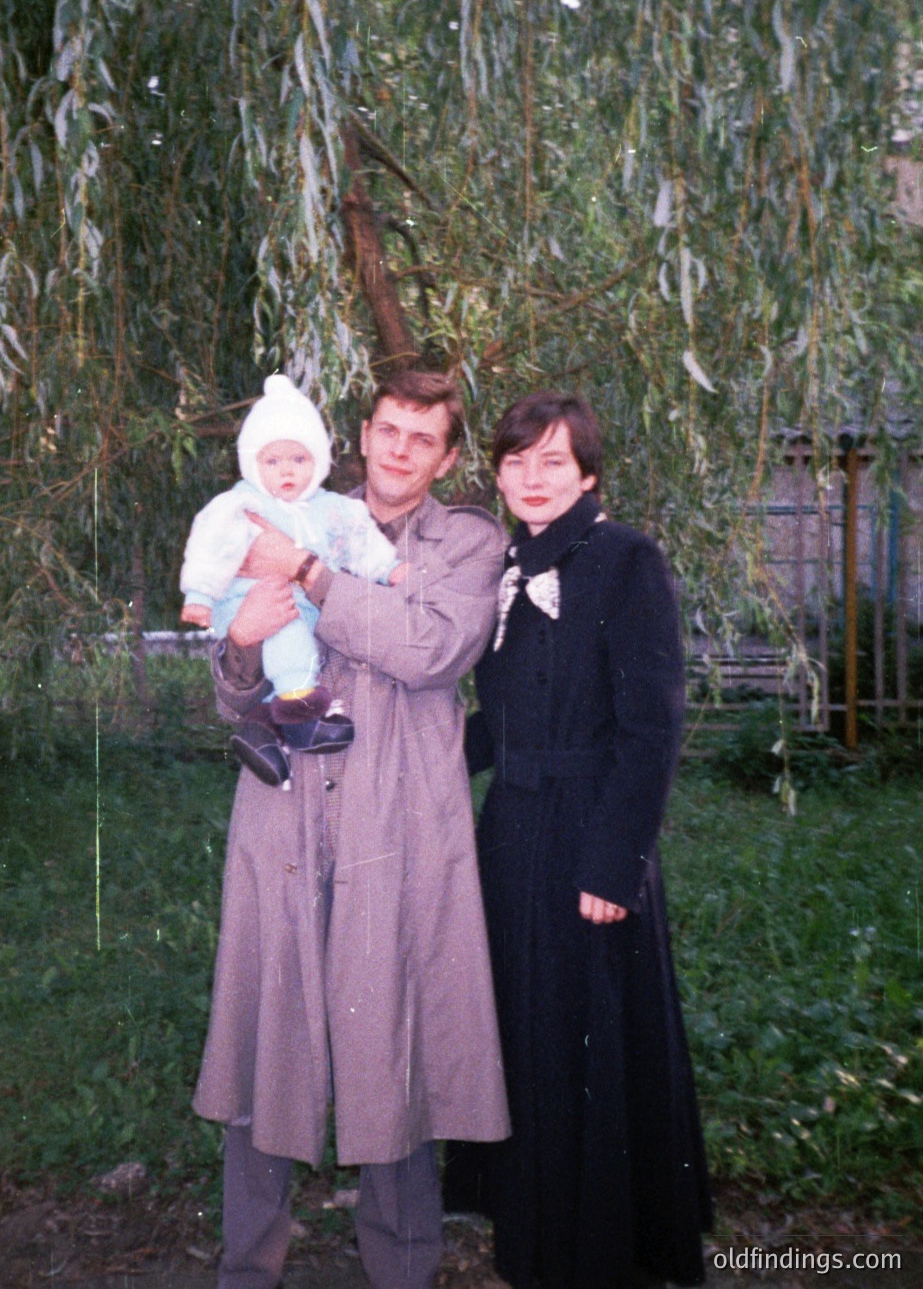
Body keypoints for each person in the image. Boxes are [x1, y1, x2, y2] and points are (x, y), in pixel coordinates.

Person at [192, 367, 511, 1289]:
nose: (399, 451)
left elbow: (428, 647)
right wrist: (244, 640)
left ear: (447, 457)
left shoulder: (466, 542)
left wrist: (304, 572)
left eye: (422, 438)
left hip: (400, 816)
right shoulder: (290, 505)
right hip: (283, 809)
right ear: (362, 435)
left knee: (395, 1034)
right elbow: (232, 691)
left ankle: (402, 1267)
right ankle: (246, 1266)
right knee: (266, 1024)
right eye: (387, 431)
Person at [445, 389, 712, 1289]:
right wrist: (415, 760)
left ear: (588, 473)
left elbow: (651, 726)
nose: (531, 477)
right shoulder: (504, 564)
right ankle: (532, 1231)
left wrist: (615, 861)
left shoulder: (626, 559)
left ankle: (598, 1247)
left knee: (584, 1033)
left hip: (591, 836)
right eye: (516, 461)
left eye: (552, 461)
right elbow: (501, 717)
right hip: (510, 831)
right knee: (520, 1030)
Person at [179, 374, 405, 785]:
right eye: (273, 461)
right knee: (293, 647)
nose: (287, 471)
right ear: (252, 463)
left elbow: (361, 544)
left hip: (299, 609)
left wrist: (390, 569)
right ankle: (302, 720)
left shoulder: (333, 509)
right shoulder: (240, 504)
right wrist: (199, 593)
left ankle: (262, 731)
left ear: (318, 461)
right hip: (259, 601)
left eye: (299, 460)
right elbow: (210, 544)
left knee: (299, 648)